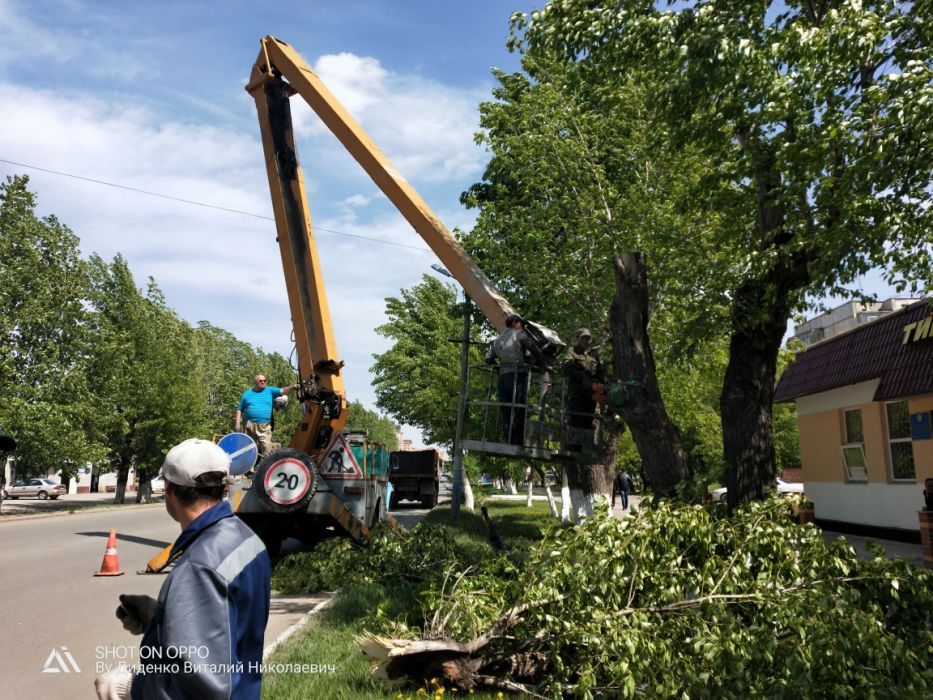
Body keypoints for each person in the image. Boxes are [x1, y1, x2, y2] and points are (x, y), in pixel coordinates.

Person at [94, 438, 271, 700]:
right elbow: (228, 624)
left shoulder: (198, 567)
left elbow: (199, 689)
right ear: (224, 486)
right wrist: (161, 619)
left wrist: (130, 688)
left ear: (168, 489)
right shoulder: (244, 537)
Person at [485, 314, 547, 445]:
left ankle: (508, 439)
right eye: (521, 324)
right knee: (520, 408)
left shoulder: (497, 340)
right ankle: (518, 441)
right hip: (517, 377)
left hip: (503, 378)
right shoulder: (519, 334)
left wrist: (498, 370)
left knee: (506, 410)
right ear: (515, 323)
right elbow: (534, 348)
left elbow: (488, 359)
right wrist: (543, 365)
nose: (523, 327)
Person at [234, 375, 297, 459]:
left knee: (267, 448)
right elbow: (239, 410)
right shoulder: (247, 394)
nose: (263, 382)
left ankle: (264, 468)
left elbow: (283, 390)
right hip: (249, 425)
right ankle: (249, 470)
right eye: (260, 381)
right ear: (255, 382)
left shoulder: (270, 390)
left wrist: (294, 387)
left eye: (264, 380)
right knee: (248, 448)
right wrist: (237, 425)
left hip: (264, 426)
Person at [562, 329, 605, 440]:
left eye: (587, 338)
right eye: (583, 338)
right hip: (577, 392)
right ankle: (572, 448)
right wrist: (582, 377)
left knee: (588, 420)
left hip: (591, 393)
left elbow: (600, 371)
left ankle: (584, 447)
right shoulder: (572, 351)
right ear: (578, 339)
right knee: (575, 419)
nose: (585, 340)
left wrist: (598, 382)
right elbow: (567, 368)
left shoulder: (594, 354)